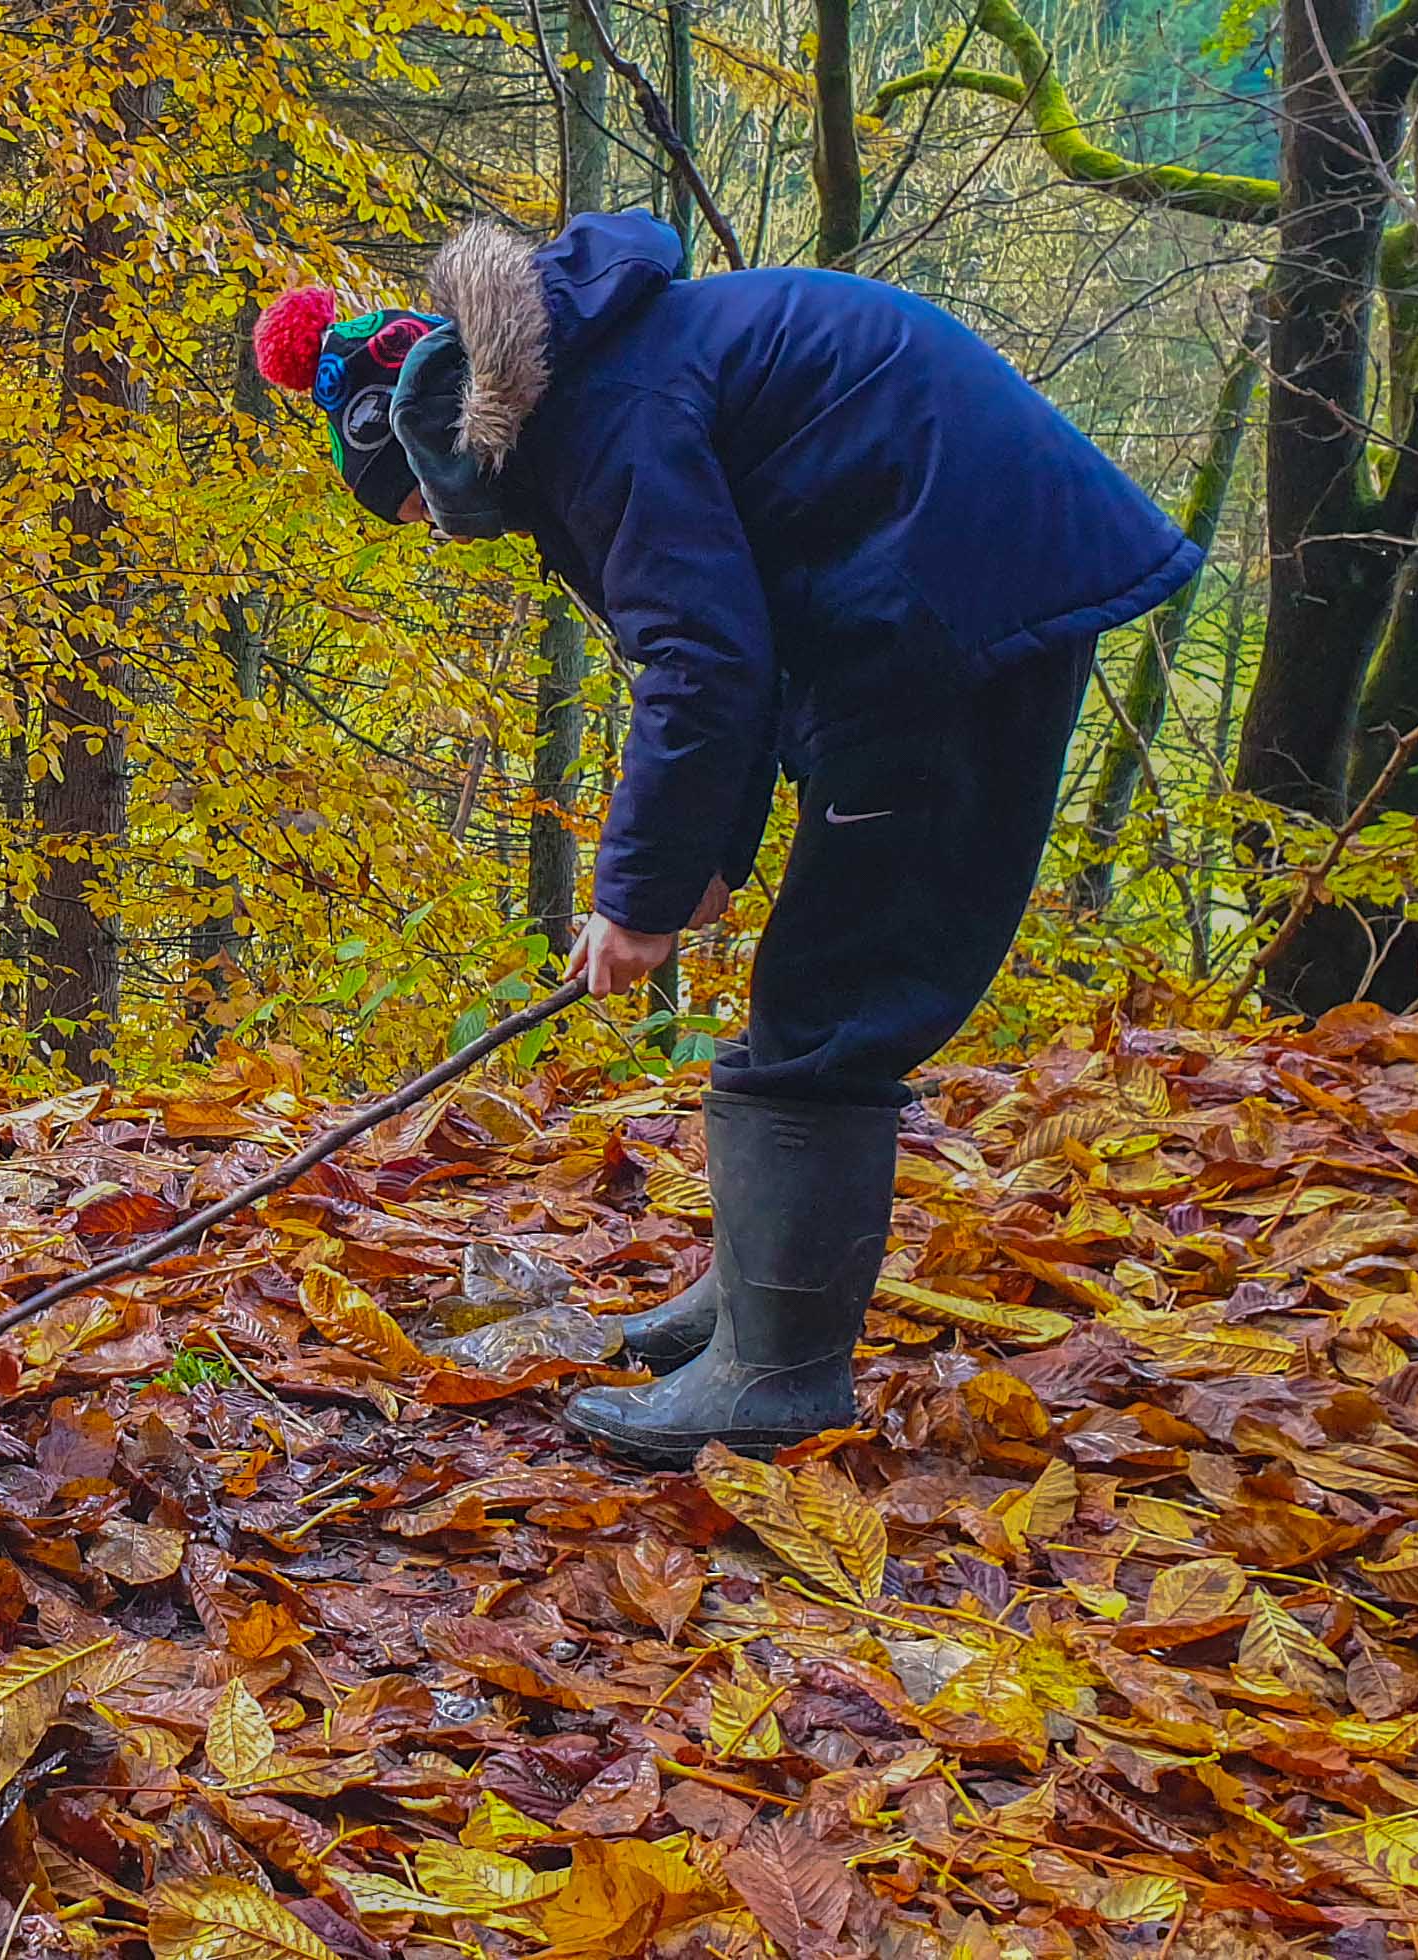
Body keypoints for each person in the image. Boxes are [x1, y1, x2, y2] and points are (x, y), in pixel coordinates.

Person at [253, 213, 1201, 1468]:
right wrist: (703, 857)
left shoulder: (602, 424)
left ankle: (779, 1373)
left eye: (418, 512)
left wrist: (637, 896)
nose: (436, 536)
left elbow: (699, 665)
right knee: (809, 987)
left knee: (828, 1000)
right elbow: (731, 630)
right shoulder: (599, 380)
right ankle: (759, 1300)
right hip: (924, 595)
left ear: (450, 454)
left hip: (956, 610)